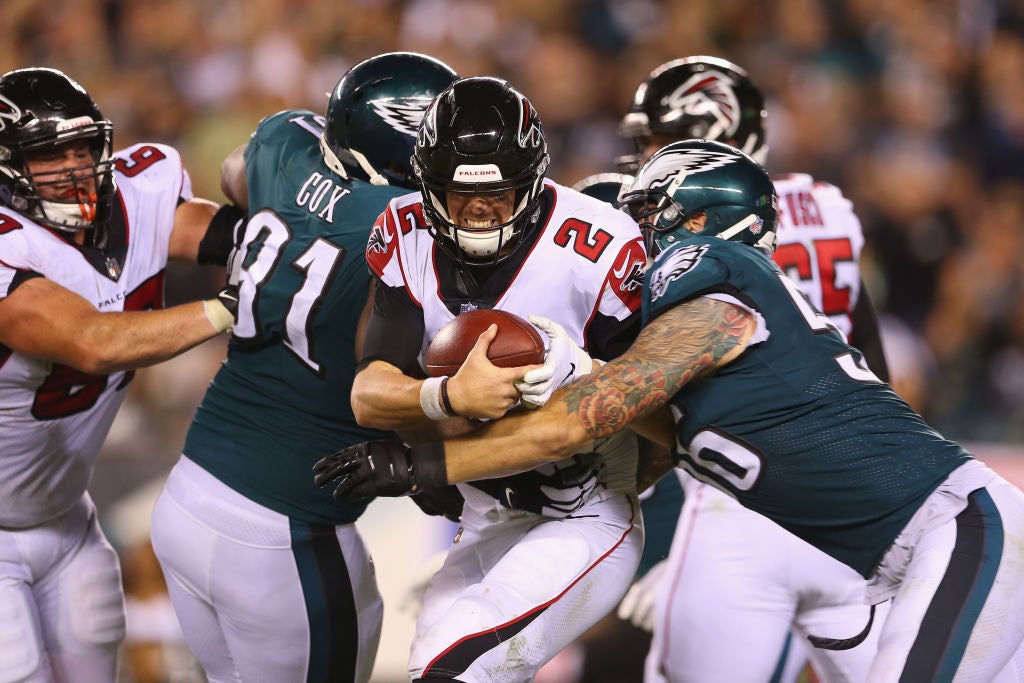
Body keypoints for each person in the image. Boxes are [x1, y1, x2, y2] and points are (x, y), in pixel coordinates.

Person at [317, 139, 1024, 683]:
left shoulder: (713, 277)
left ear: (697, 219)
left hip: (957, 530)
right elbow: (644, 422)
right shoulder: (709, 331)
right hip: (899, 554)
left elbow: (577, 420)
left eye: (648, 213)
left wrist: (421, 461)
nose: (634, 232)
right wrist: (580, 368)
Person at [147, 52, 459, 683]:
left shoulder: (285, 141)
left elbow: (236, 176)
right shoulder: (406, 227)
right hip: (286, 532)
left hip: (189, 492)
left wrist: (300, 209)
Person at [346, 76, 649, 683]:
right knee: (432, 668)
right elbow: (370, 394)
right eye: (459, 193)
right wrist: (447, 400)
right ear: (429, 186)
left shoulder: (601, 248)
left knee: (454, 670)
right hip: (485, 516)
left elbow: (659, 411)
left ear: (533, 184)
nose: (480, 208)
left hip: (581, 513)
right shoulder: (404, 232)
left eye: (500, 192)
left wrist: (578, 375)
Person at [612, 56, 892, 683]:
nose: (647, 156)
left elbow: (662, 388)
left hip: (737, 490)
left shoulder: (690, 232)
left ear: (717, 133)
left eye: (661, 139)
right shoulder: (828, 210)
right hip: (846, 483)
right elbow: (872, 361)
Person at [0, 67, 240, 683]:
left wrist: (280, 228)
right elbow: (92, 341)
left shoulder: (137, 194)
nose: (76, 168)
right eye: (51, 156)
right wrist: (226, 306)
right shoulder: (9, 245)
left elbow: (216, 234)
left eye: (84, 148)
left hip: (65, 516)